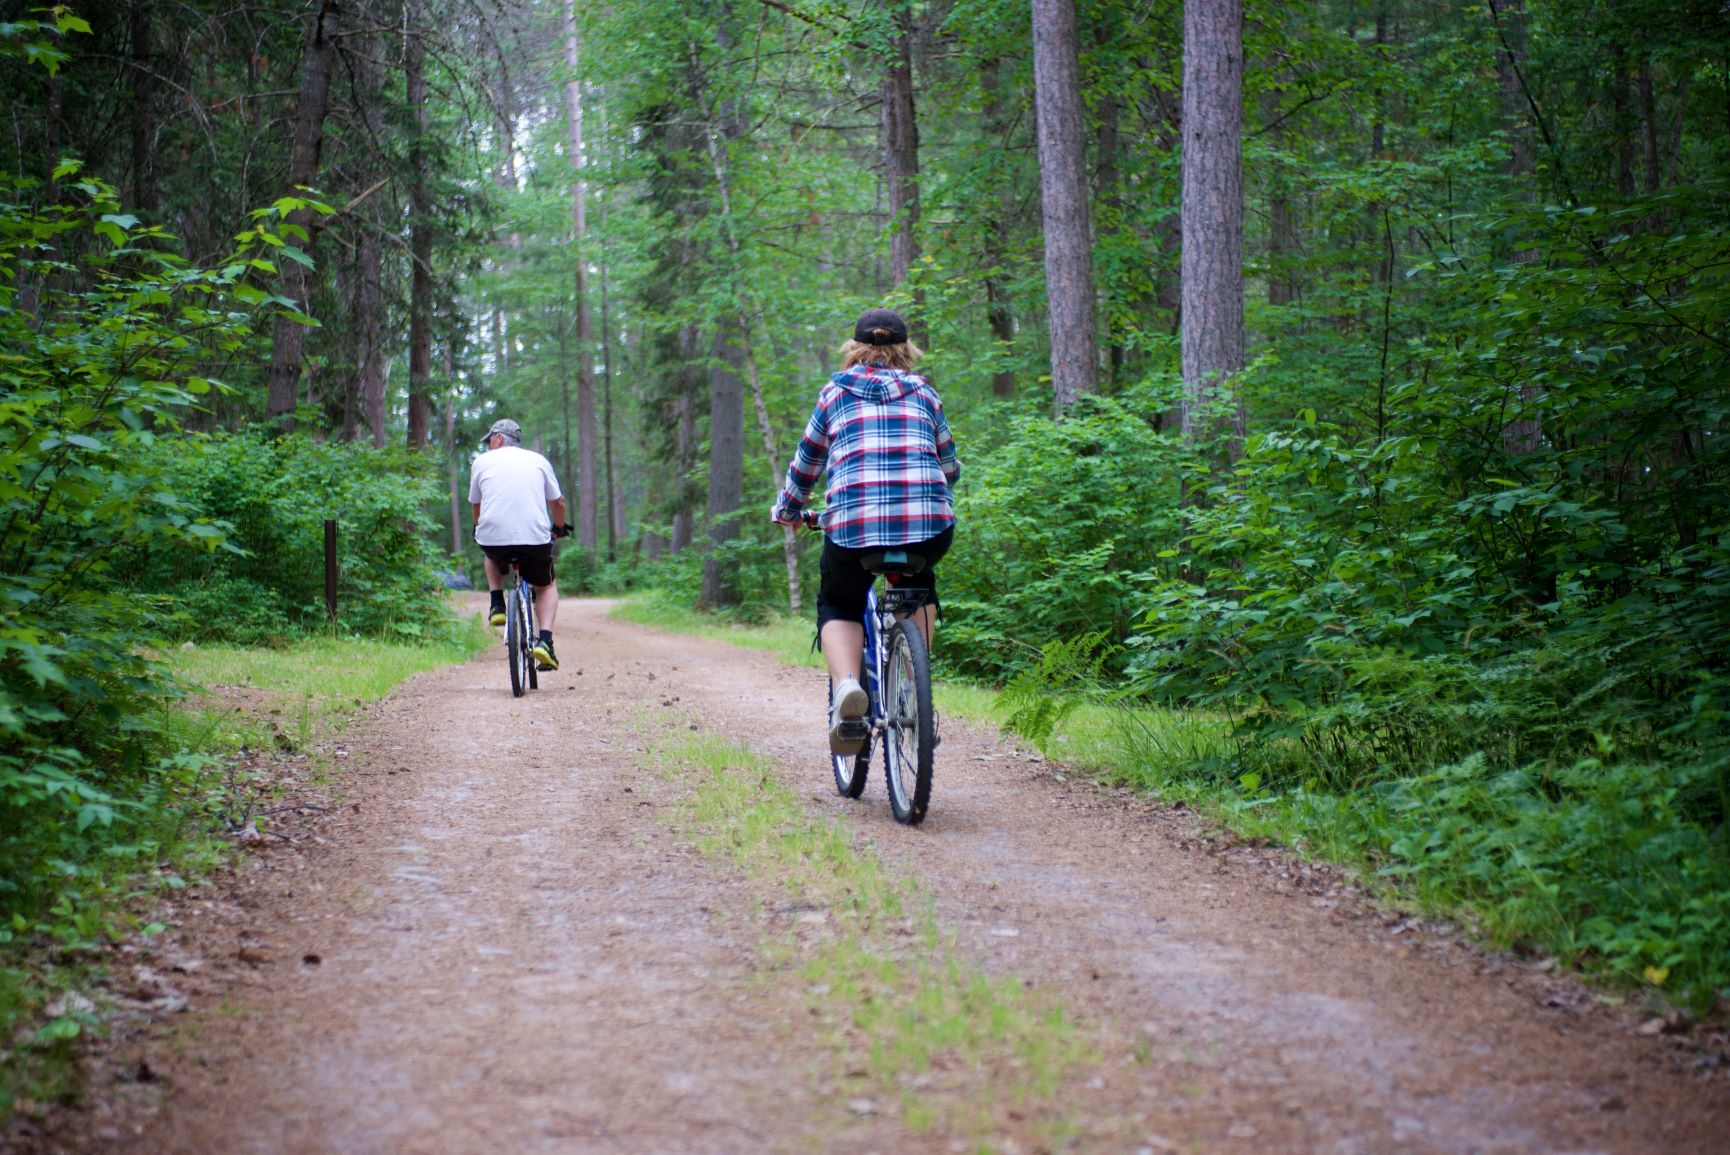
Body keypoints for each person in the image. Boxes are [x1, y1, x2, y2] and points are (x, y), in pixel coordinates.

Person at [772, 308, 960, 753]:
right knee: (921, 587)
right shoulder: (924, 392)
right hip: (928, 526)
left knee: (840, 599)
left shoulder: (835, 391)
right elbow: (949, 467)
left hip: (854, 527)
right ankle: (913, 687)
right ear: (905, 349)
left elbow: (807, 465)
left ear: (855, 349)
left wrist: (789, 511)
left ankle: (847, 690)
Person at [469, 418, 571, 671]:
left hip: (493, 537)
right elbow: (558, 503)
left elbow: (476, 505)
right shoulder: (538, 460)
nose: (488, 446)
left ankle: (497, 603)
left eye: (490, 440)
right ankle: (545, 642)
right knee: (546, 585)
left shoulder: (481, 462)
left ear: (500, 438)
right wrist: (559, 529)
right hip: (534, 539)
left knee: (490, 553)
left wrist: (478, 530)